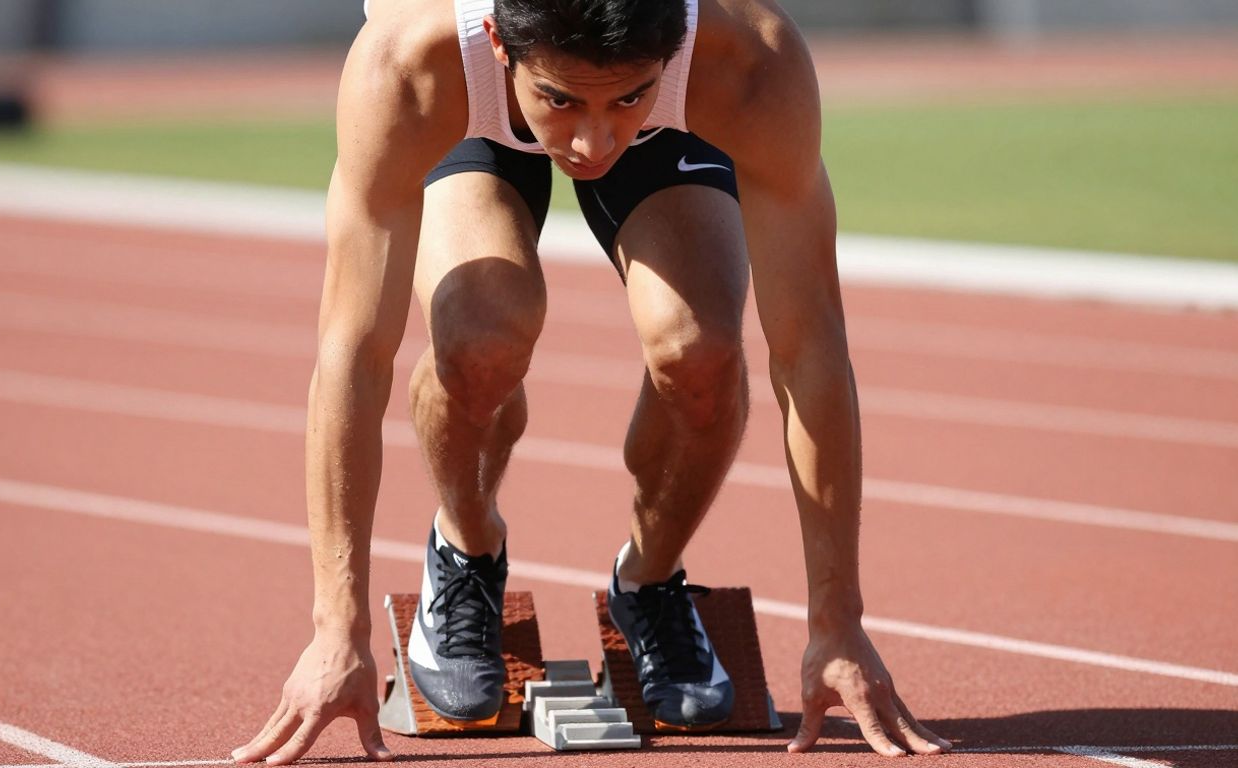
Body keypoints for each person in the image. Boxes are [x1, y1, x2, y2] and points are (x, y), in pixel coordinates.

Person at [232, 0, 952, 763]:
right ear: (501, 48)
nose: (591, 140)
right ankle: (468, 555)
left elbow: (809, 351)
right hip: (471, 106)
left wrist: (838, 623)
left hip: (656, 101)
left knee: (700, 353)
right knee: (482, 335)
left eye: (627, 99)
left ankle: (646, 581)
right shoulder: (409, 64)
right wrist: (335, 631)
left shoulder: (749, 62)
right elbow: (353, 351)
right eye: (561, 102)